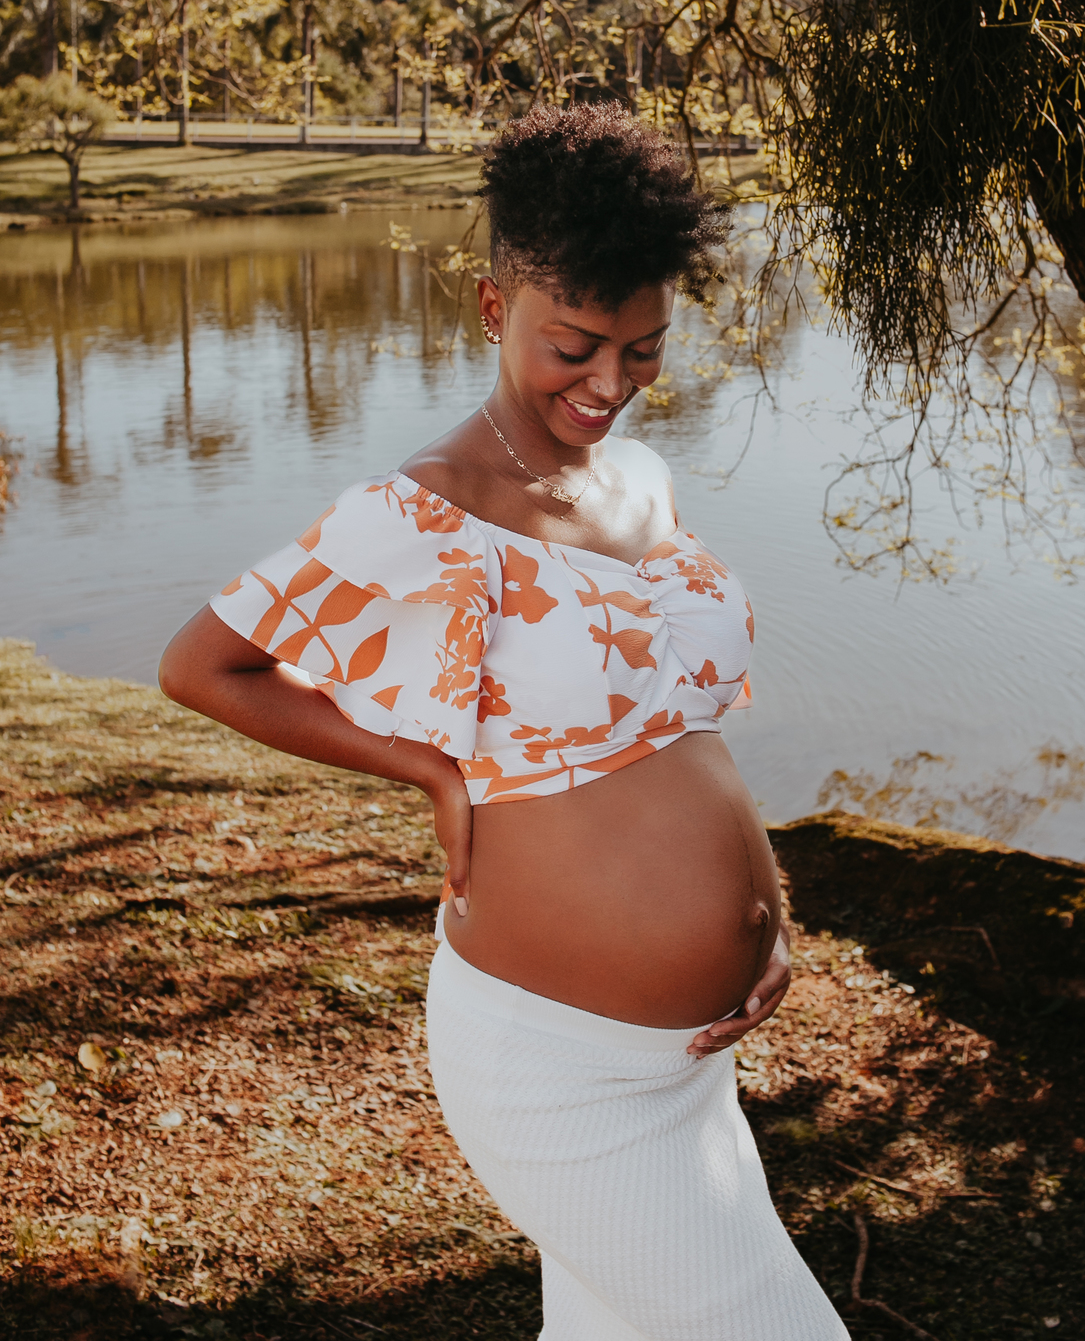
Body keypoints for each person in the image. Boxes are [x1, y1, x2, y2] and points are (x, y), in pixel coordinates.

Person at [159, 102, 849, 1341]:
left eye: (640, 351)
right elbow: (205, 666)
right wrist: (422, 764)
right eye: (575, 345)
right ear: (494, 310)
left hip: (685, 1060)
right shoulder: (420, 508)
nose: (608, 385)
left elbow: (678, 734)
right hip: (557, 1070)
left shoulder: (637, 477)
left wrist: (762, 915)